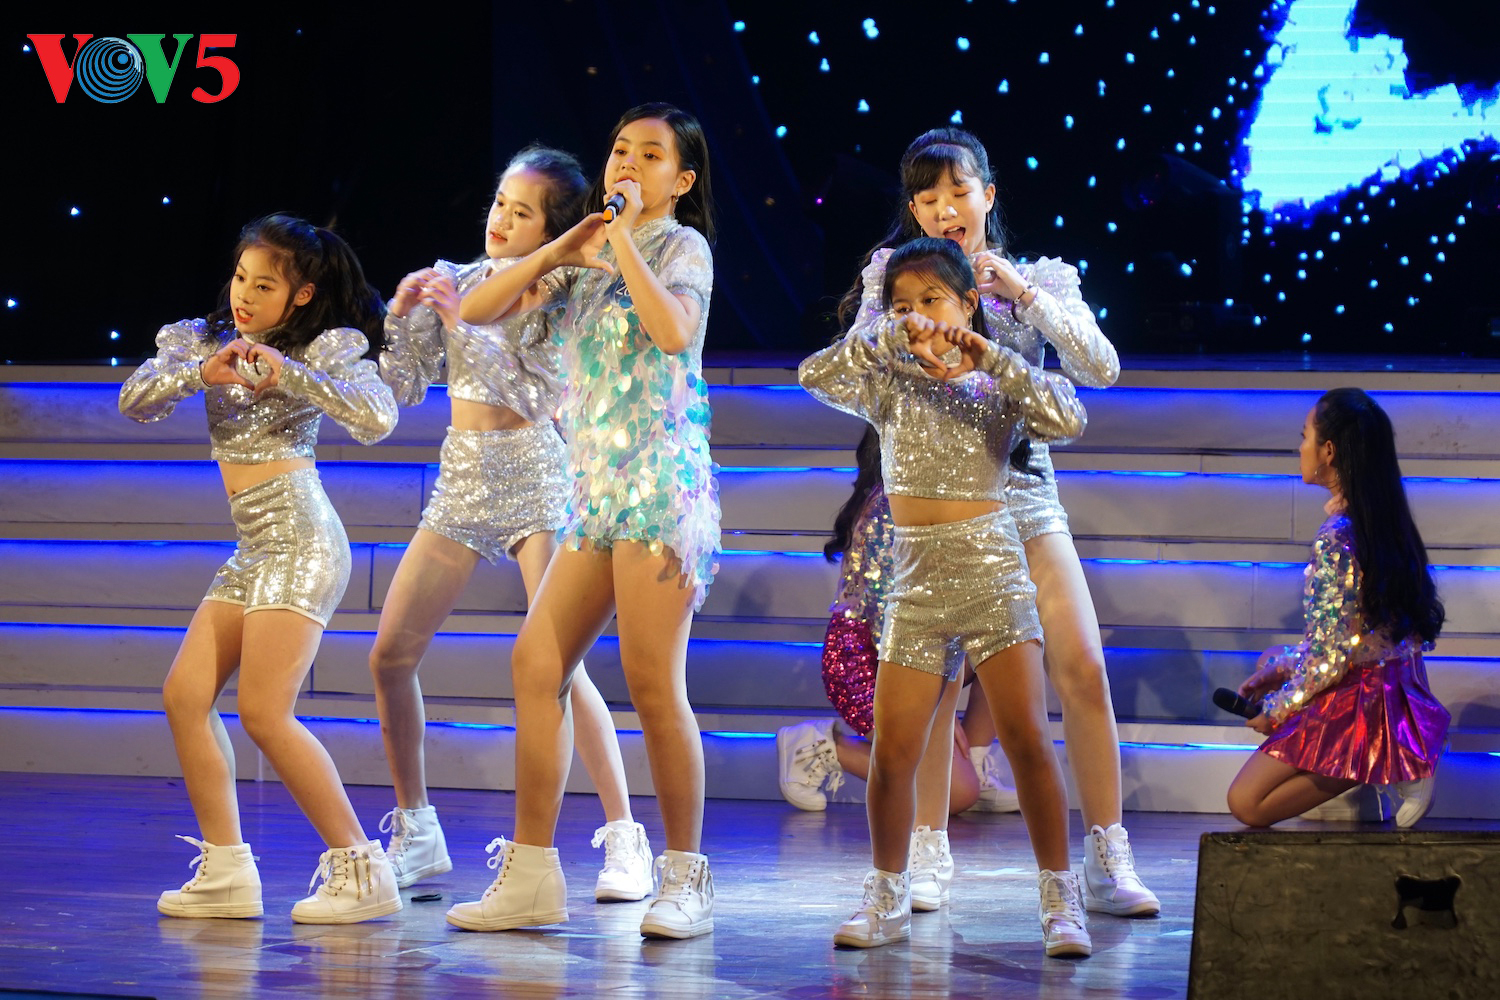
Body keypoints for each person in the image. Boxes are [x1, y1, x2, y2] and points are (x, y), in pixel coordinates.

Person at [833, 127, 1158, 919]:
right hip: (939, 508)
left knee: (1082, 663)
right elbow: (847, 367)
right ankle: (926, 850)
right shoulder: (897, 278)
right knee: (938, 683)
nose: (946, 208)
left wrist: (1024, 297)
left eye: (959, 190)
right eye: (928, 197)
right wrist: (905, 322)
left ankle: (1107, 854)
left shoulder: (1037, 277)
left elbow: (1101, 368)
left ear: (988, 194)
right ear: (914, 210)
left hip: (1026, 500)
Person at [443, 103, 719, 939]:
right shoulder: (587, 252)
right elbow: (480, 309)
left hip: (660, 489)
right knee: (536, 661)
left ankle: (684, 878)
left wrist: (624, 238)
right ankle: (532, 875)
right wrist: (564, 247)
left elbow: (672, 332)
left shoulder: (682, 246)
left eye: (650, 154)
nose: (627, 163)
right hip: (596, 492)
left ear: (682, 179)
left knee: (651, 682)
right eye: (620, 149)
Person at [371, 147, 651, 903]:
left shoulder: (562, 291)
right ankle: (417, 829)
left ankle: (626, 838)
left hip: (536, 476)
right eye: (500, 202)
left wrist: (463, 322)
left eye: (522, 212)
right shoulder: (455, 279)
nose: (500, 219)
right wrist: (400, 318)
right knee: (389, 655)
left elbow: (536, 395)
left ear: (551, 230)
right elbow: (401, 388)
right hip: (462, 478)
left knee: (561, 668)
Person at [800, 237, 1092, 956]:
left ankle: (1061, 900)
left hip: (992, 574)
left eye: (931, 299)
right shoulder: (888, 381)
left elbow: (1069, 417)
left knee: (1027, 742)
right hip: (914, 585)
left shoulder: (997, 381)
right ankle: (886, 895)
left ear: (966, 305)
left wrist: (993, 357)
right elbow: (814, 375)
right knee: (894, 752)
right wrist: (879, 337)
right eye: (902, 303)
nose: (917, 314)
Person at [119, 215, 402, 924]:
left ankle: (362, 869)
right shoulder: (206, 340)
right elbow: (134, 400)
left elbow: (377, 418)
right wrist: (200, 373)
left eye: (264, 285)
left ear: (301, 295)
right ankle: (227, 872)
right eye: (241, 277)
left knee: (265, 713)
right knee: (185, 695)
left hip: (302, 540)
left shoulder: (322, 348)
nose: (244, 294)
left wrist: (292, 373)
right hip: (254, 546)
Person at [777, 426, 1020, 915]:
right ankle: (822, 746)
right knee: (958, 795)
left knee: (1012, 631)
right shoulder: (893, 503)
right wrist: (937, 708)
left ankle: (972, 759)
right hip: (867, 661)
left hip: (923, 648)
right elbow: (892, 621)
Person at [1226, 388, 1448, 828]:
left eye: (1305, 436)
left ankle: (1386, 760)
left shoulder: (1337, 538)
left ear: (1328, 450)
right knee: (1271, 658)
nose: (1300, 447)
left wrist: (1278, 709)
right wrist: (1283, 668)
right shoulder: (1378, 521)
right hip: (1391, 685)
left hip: (1364, 698)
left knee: (1247, 803)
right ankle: (1391, 756)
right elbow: (1353, 640)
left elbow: (1331, 657)